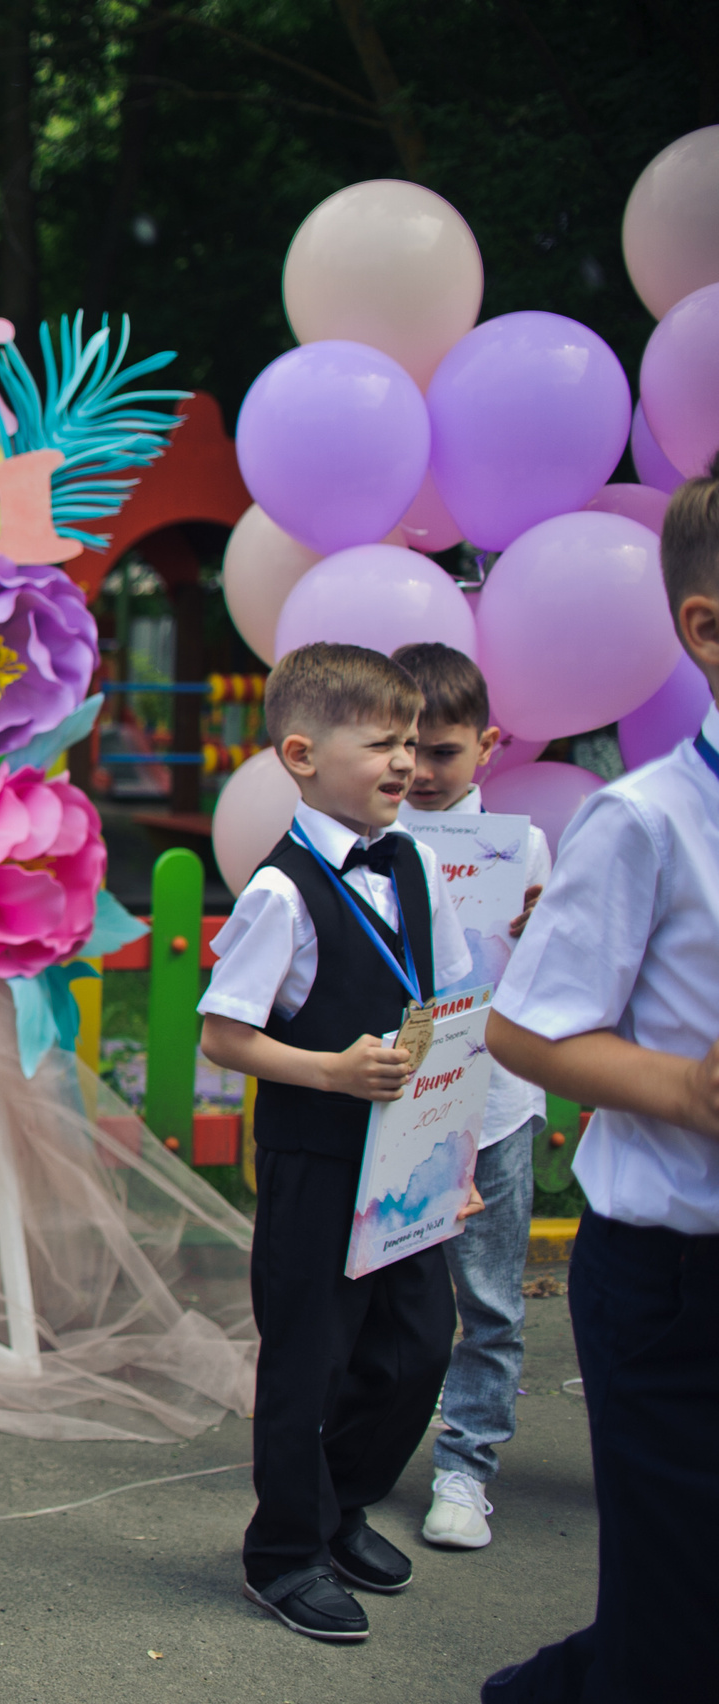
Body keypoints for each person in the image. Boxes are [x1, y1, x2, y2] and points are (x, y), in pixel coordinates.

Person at [479, 463, 719, 1704]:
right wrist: (681, 1092)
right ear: (705, 629)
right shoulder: (647, 820)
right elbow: (525, 1030)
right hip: (680, 1284)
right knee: (680, 1618)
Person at [197, 640, 474, 1644]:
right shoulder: (279, 892)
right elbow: (222, 1032)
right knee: (309, 1360)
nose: (403, 762)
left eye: (411, 742)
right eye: (380, 743)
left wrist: (457, 1154)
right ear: (304, 755)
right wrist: (330, 1072)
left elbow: (448, 1006)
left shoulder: (417, 862)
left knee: (412, 1354)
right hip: (319, 1160)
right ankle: (281, 1552)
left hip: (408, 1159)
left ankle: (340, 1504)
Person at [388, 641, 550, 1552]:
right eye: (403, 747)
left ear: (487, 745)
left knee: (487, 1298)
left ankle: (468, 1463)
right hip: (397, 1098)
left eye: (441, 751)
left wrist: (537, 937)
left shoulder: (522, 847)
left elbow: (557, 985)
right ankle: (370, 1444)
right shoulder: (371, 837)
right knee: (386, 1289)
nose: (418, 769)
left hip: (493, 1103)